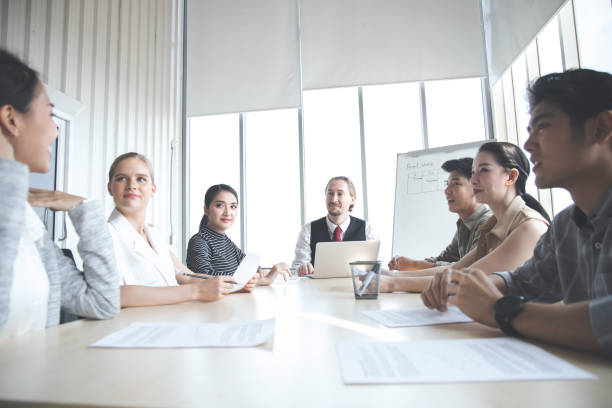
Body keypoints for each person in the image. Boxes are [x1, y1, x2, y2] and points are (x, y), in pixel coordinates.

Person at [421, 69, 612, 356]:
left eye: (543, 126)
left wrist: (502, 310)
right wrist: (468, 286)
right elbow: (525, 281)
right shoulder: (566, 226)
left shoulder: (532, 225)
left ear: (600, 128)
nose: (528, 145)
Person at [0, 49, 119, 337]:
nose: (55, 131)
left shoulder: (29, 225)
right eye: (50, 114)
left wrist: (86, 208)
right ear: (11, 119)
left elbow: (102, 303)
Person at [381, 141, 551, 293]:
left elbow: (465, 278)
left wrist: (392, 283)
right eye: (473, 172)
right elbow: (456, 268)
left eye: (483, 170)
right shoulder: (493, 225)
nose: (474, 180)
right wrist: (388, 275)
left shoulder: (529, 227)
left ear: (511, 176)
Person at [107, 153, 251, 307]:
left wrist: (233, 285)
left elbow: (186, 276)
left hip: (173, 316)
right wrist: (196, 291)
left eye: (141, 179)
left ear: (153, 189)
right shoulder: (105, 234)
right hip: (138, 323)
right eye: (121, 178)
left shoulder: (154, 235)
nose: (132, 185)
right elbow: (111, 294)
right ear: (110, 188)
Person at [388, 157, 492, 271]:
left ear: (475, 188)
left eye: (456, 184)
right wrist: (408, 263)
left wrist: (416, 265)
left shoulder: (486, 223)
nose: (447, 191)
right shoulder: (464, 223)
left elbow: (468, 268)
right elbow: (446, 258)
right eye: (447, 184)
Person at [186, 184, 291, 284]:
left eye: (233, 206)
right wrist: (262, 280)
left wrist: (266, 272)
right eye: (220, 205)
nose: (227, 212)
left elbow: (249, 267)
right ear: (206, 210)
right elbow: (204, 278)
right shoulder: (199, 241)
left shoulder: (226, 241)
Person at [293, 176, 377, 276]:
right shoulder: (308, 230)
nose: (333, 199)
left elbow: (374, 269)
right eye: (330, 193)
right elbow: (296, 268)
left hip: (352, 289)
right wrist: (301, 269)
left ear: (352, 200)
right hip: (316, 289)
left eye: (340, 194)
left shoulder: (367, 230)